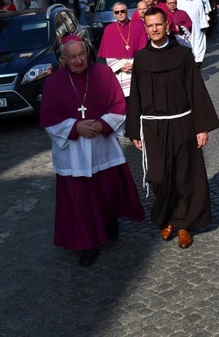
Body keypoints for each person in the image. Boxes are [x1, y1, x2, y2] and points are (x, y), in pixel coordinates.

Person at [41, 35, 144, 266]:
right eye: (72, 57)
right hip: (73, 152)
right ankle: (87, 243)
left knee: (106, 190)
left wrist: (102, 124)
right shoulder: (53, 83)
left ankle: (108, 222)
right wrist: (75, 126)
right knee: (79, 198)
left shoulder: (103, 74)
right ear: (63, 59)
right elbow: (48, 117)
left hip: (102, 145)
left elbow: (118, 104)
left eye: (82, 55)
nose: (79, 60)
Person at [125, 7, 219, 249]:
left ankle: (184, 224)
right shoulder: (141, 59)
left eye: (158, 24)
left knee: (185, 175)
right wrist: (135, 130)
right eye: (150, 25)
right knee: (158, 176)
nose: (155, 29)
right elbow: (134, 95)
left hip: (182, 122)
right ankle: (165, 217)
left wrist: (202, 127)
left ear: (167, 25)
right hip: (153, 126)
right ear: (145, 29)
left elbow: (195, 90)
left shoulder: (183, 55)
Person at [97, 2, 148, 98]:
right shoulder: (109, 29)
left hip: (136, 69)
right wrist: (120, 67)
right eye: (117, 12)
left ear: (127, 12)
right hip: (120, 73)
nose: (120, 14)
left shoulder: (138, 26)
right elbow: (108, 55)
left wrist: (134, 64)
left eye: (122, 11)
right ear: (114, 14)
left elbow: (144, 50)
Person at [177, 0, 209, 68]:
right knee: (187, 42)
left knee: (198, 42)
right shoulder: (181, 2)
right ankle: (189, 59)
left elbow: (201, 13)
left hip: (196, 26)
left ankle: (198, 60)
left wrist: (203, 24)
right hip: (186, 27)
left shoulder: (198, 1)